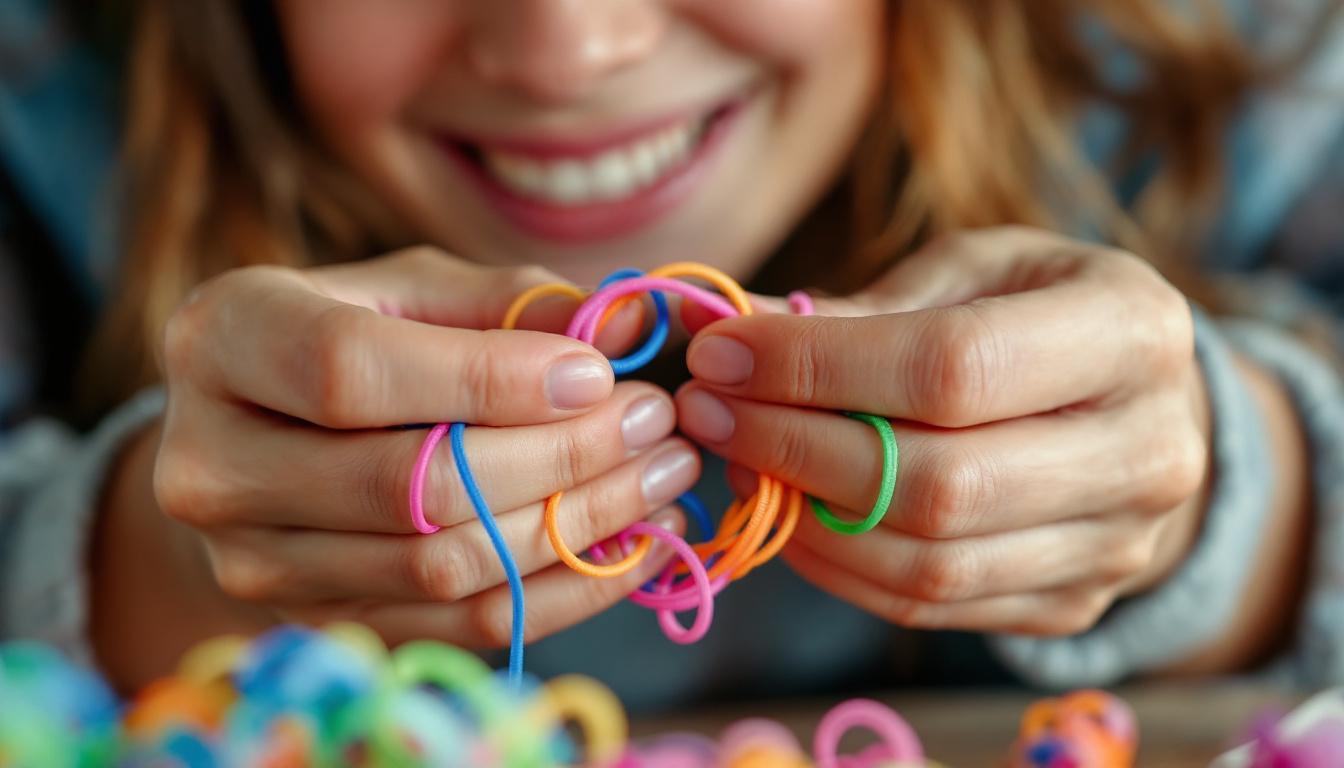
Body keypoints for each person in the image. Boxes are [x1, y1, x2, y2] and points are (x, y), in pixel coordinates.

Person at [2, 0, 1342, 713]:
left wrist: (1237, 503)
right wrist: (150, 568)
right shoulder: (42, 96)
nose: (571, 47)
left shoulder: (1238, 57)